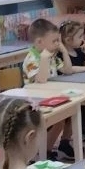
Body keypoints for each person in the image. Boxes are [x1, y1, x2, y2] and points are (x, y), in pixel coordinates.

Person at [20, 18, 69, 160]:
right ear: (40, 42)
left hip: (50, 97)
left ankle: (46, 150)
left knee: (63, 118)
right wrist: (43, 59)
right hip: (35, 102)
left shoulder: (52, 56)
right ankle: (40, 153)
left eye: (58, 41)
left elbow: (67, 70)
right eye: (54, 41)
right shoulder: (32, 59)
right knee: (57, 120)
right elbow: (41, 80)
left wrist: (64, 51)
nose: (57, 44)